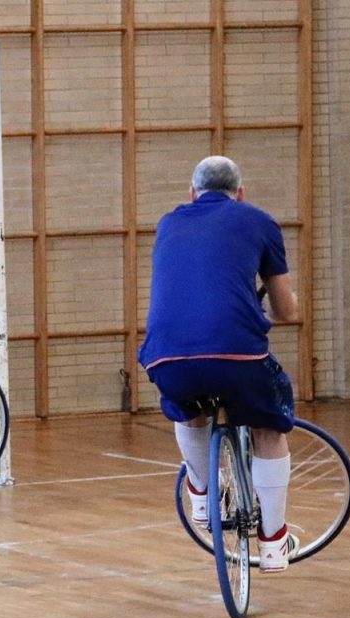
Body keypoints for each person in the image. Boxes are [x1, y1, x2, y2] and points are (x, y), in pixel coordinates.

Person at [138, 155, 300, 573]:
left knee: (187, 404)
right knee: (269, 426)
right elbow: (286, 310)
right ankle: (273, 542)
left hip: (164, 355)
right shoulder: (258, 220)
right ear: (240, 193)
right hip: (236, 354)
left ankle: (202, 495)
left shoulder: (168, 223)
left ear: (191, 193)